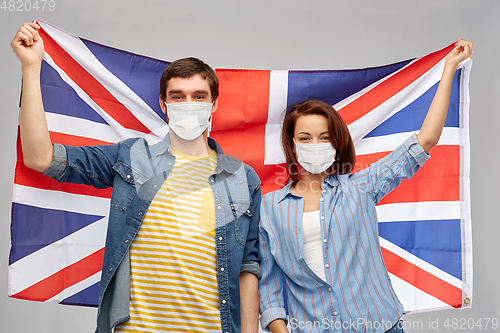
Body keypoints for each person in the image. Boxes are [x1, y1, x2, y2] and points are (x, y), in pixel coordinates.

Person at [11, 22, 261, 333]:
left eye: (199, 96)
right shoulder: (130, 157)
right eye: (178, 96)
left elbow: (248, 268)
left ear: (214, 105)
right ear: (163, 103)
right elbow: (41, 157)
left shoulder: (242, 178)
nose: (188, 105)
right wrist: (31, 68)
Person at [258, 39, 473, 333]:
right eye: (305, 138)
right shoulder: (269, 209)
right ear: (292, 146)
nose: (315, 144)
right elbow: (268, 287)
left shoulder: (360, 187)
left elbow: (424, 141)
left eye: (324, 137)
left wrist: (447, 69)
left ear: (336, 143)